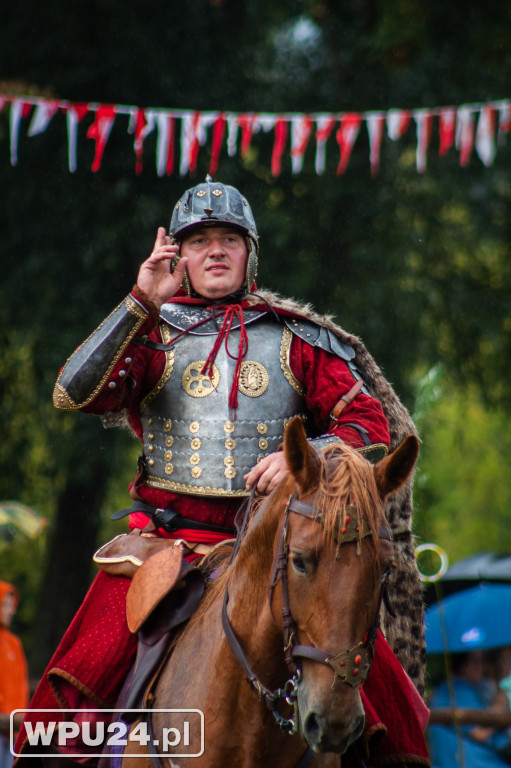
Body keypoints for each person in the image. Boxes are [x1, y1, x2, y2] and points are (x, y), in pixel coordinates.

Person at [16, 177, 428, 766]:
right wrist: (140, 299)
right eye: (199, 240)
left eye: (228, 239)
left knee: (390, 707)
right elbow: (74, 395)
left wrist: (303, 456)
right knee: (61, 717)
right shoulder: (153, 335)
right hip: (163, 549)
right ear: (178, 256)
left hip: (281, 544)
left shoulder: (295, 339)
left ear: (248, 253)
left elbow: (368, 425)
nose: (215, 250)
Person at [428, 650, 511, 767]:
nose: (482, 667)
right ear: (464, 665)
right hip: (467, 762)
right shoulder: (458, 691)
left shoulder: (452, 689)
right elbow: (479, 733)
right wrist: (500, 705)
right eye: (477, 662)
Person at [0, 582, 29, 768]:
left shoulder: (14, 644)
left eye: (12, 606)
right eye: (5, 605)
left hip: (12, 731)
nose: (11, 611)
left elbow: (21, 686)